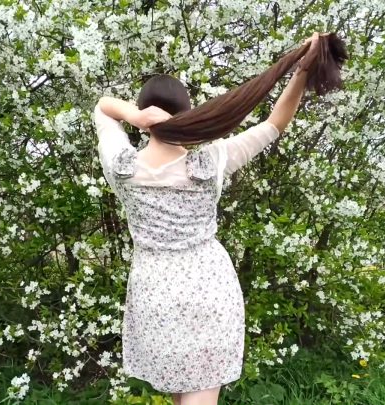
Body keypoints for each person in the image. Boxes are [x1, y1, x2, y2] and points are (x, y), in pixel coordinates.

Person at [93, 32, 346, 405]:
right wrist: (300, 72)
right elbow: (275, 123)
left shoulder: (121, 166)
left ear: (144, 117)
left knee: (185, 396)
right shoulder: (210, 162)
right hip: (209, 290)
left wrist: (133, 115)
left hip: (154, 293)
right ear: (192, 114)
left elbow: (102, 107)